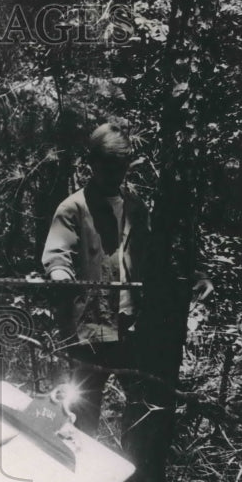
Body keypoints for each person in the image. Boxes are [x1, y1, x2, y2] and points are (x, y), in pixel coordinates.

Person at [41, 121, 210, 434]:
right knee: (82, 409)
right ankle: (82, 471)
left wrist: (189, 276)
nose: (114, 175)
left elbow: (152, 259)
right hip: (89, 330)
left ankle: (130, 474)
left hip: (131, 327)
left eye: (120, 168)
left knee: (141, 405)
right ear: (91, 164)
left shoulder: (136, 209)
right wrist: (61, 274)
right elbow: (56, 254)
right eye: (106, 167)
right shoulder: (73, 208)